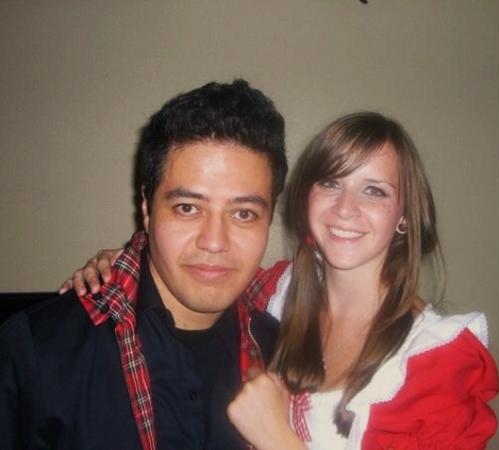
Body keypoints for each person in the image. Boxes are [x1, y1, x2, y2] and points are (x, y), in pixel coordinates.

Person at [60, 113, 499, 449]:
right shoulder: (277, 293)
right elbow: (200, 270)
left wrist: (279, 440)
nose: (345, 209)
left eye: (374, 190)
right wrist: (127, 260)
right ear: (306, 198)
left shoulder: (436, 362)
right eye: (331, 183)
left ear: (404, 216)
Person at [0, 79, 288, 450]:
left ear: (269, 219)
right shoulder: (39, 354)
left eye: (244, 213)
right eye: (188, 208)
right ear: (147, 210)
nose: (214, 241)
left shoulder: (283, 353)